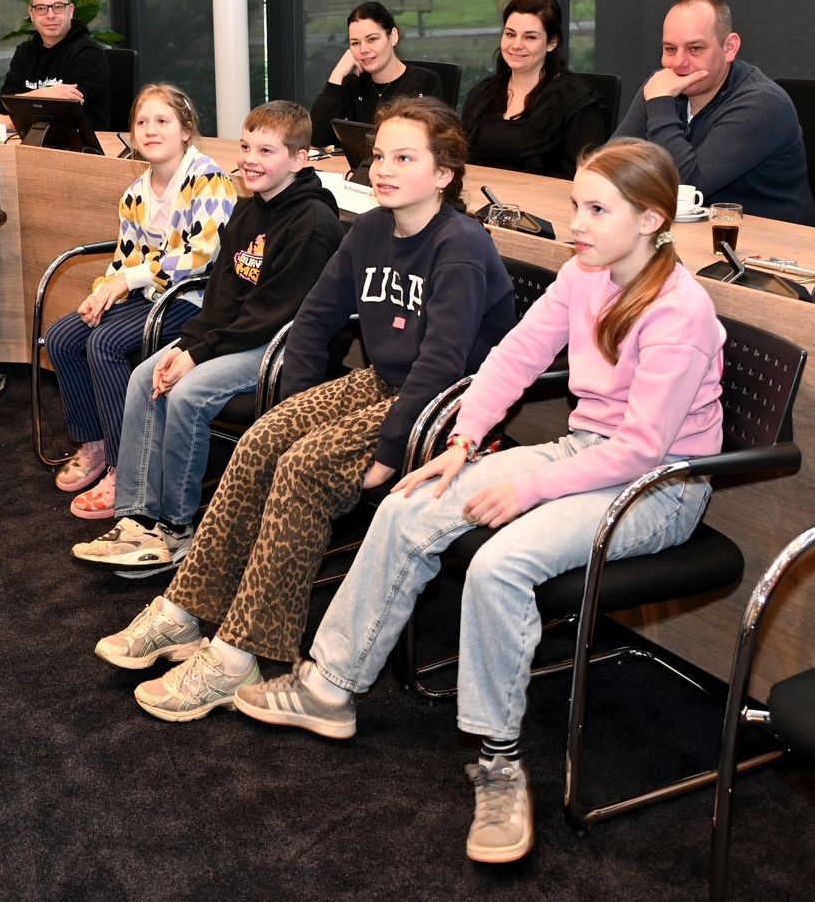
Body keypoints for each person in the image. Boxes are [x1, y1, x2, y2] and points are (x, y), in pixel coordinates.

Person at [232, 138, 724, 867]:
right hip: (586, 452)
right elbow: (514, 357)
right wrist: (463, 441)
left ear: (651, 220)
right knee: (408, 503)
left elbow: (641, 449)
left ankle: (499, 762)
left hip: (658, 485)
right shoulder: (584, 274)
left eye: (597, 210)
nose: (577, 224)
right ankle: (329, 687)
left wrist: (523, 487)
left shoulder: (680, 311)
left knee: (500, 565)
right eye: (576, 206)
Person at [96, 99, 519, 718]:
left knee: (303, 467)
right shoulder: (371, 229)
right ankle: (186, 611)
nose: (384, 169)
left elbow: (441, 364)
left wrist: (390, 448)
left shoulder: (460, 246)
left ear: (444, 174)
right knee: (260, 441)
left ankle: (237, 656)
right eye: (380, 156)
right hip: (384, 381)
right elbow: (315, 319)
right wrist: (288, 414)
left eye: (405, 158)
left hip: (445, 405)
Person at [64, 100, 343, 528]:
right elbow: (220, 296)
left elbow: (270, 316)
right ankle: (136, 513)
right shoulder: (248, 210)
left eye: (266, 151)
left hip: (276, 345)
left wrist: (197, 355)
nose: (250, 160)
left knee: (187, 392)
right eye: (245, 147)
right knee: (145, 377)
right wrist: (191, 344)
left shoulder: (312, 224)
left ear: (299, 159)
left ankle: (174, 526)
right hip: (234, 334)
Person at [46, 85, 238, 500]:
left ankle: (127, 466)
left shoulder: (210, 180)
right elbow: (123, 261)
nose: (151, 130)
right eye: (142, 122)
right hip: (150, 297)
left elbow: (200, 256)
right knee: (62, 336)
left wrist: (126, 282)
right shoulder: (135, 193)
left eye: (162, 121)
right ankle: (96, 442)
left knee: (104, 344)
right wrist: (102, 293)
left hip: (194, 300)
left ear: (185, 130)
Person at [610, 0, 815, 225]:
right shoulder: (662, 85)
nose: (678, 63)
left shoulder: (762, 102)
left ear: (729, 47)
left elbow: (687, 188)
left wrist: (661, 104)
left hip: (769, 240)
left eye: (695, 49)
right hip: (690, 233)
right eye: (670, 49)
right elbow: (609, 165)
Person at [457, 0, 607, 177]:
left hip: (543, 196)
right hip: (480, 193)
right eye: (510, 34)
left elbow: (587, 177)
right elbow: (461, 160)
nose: (516, 45)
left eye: (530, 37)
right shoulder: (482, 93)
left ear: (552, 43)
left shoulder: (576, 102)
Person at [0, 0, 113, 130]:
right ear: (32, 14)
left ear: (70, 11)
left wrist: (10, 121)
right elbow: (5, 105)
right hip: (31, 141)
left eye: (58, 7)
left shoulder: (89, 53)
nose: (50, 15)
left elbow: (67, 112)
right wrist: (48, 94)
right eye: (41, 8)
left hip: (87, 143)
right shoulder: (24, 53)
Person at [309, 1, 442, 148]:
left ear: (393, 36)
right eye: (355, 43)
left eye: (372, 39)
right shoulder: (352, 84)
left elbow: (431, 144)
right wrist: (337, 74)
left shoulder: (424, 82)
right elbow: (317, 138)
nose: (363, 49)